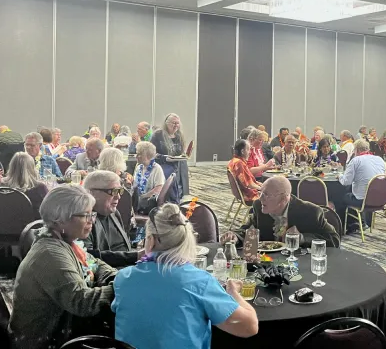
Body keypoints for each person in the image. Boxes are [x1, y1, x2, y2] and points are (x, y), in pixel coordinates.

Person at [113, 203, 259, 348]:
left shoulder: (123, 278)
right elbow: (249, 327)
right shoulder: (199, 282)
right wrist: (233, 293)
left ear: (150, 241)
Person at [8, 184, 117, 349]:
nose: (91, 221)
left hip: (62, 329)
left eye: (91, 214)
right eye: (85, 215)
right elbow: (82, 302)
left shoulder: (65, 241)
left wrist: (116, 277)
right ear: (60, 219)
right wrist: (122, 286)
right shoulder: (50, 253)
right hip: (43, 341)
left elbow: (94, 264)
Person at [222, 176, 340, 248]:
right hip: (267, 265)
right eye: (260, 193)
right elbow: (248, 229)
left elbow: (334, 240)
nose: (260, 198)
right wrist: (235, 236)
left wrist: (303, 238)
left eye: (266, 195)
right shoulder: (259, 206)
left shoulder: (310, 212)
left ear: (284, 199)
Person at [82, 171, 141, 267]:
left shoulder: (114, 213)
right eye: (113, 191)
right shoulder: (82, 220)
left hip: (128, 267)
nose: (118, 196)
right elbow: (88, 257)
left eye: (119, 191)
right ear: (92, 193)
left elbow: (126, 247)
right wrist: (134, 256)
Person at [338, 139, 386, 231]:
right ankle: (365, 222)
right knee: (360, 189)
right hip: (380, 199)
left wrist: (339, 176)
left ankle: (349, 225)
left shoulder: (355, 161)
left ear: (356, 150)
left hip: (363, 201)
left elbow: (345, 182)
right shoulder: (379, 159)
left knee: (342, 196)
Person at [151, 113, 189, 201]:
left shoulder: (179, 136)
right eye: (173, 123)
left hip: (178, 167)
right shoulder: (158, 135)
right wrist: (164, 157)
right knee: (167, 192)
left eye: (177, 123)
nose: (176, 125)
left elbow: (181, 151)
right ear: (166, 123)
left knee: (178, 191)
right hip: (163, 167)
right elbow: (151, 152)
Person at [228, 140, 261, 204]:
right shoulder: (239, 163)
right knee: (275, 196)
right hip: (249, 196)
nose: (250, 152)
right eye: (248, 150)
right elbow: (248, 184)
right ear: (242, 151)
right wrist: (261, 188)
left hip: (241, 193)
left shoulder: (233, 161)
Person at [133, 141, 165, 206]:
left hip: (149, 202)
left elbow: (158, 188)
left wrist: (142, 197)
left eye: (139, 154)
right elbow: (134, 185)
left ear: (148, 156)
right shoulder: (138, 167)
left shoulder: (157, 169)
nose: (136, 156)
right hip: (138, 200)